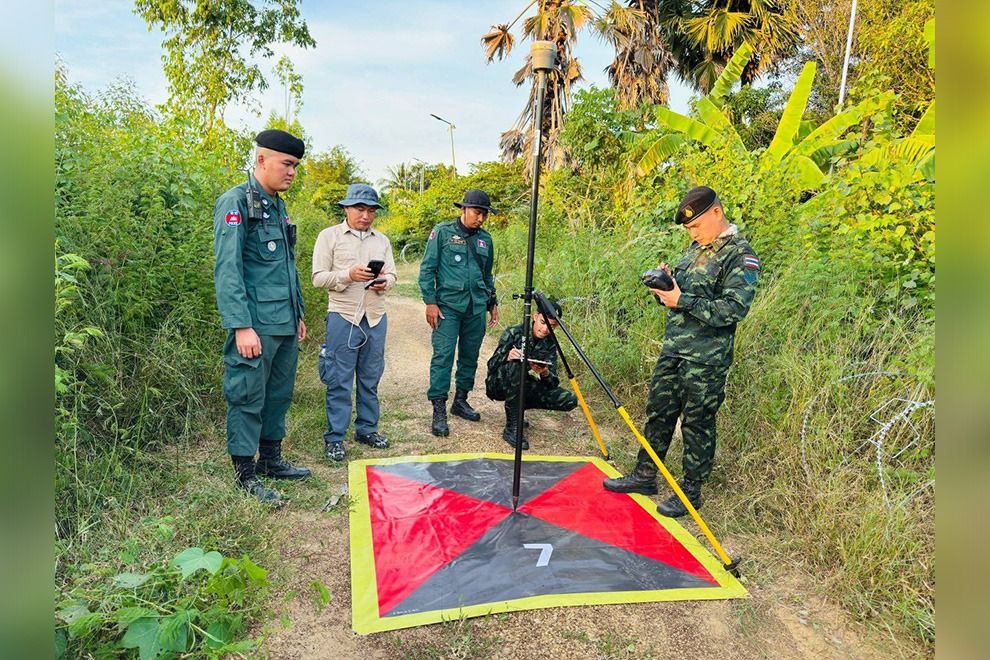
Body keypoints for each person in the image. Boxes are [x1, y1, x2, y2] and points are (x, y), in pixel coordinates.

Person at [604, 186, 761, 518]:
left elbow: (733, 309)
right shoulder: (693, 251)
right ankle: (645, 475)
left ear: (716, 213)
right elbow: (678, 299)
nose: (692, 232)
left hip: (706, 359)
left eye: (696, 225)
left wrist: (682, 300)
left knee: (697, 423)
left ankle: (690, 491)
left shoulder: (741, 256)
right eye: (689, 228)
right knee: (658, 413)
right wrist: (665, 286)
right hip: (674, 349)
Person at [213, 129, 311, 506]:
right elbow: (228, 270)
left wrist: (298, 313)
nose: (292, 173)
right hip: (254, 325)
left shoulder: (277, 206)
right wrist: (241, 326)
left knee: (278, 396)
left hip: (283, 322)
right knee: (247, 396)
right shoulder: (235, 202)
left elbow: (286, 266)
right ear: (261, 161)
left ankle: (271, 460)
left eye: (296, 167)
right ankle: (245, 472)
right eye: (287, 164)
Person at [312, 183, 397, 462]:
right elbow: (318, 278)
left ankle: (367, 429)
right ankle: (335, 437)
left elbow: (393, 276)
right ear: (346, 209)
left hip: (374, 317)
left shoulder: (382, 241)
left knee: (371, 377)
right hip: (343, 315)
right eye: (360, 209)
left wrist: (384, 283)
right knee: (339, 379)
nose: (366, 215)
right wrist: (348, 274)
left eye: (371, 210)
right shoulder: (330, 237)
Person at [418, 189, 500, 436]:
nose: (481, 218)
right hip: (448, 308)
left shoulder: (485, 240)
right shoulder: (442, 232)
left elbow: (486, 276)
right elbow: (427, 270)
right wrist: (430, 302)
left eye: (485, 214)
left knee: (469, 356)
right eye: (477, 212)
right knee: (443, 356)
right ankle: (439, 408)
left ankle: (460, 400)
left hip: (475, 307)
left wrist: (492, 302)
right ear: (463, 209)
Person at [485, 301, 578, 449]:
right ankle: (512, 428)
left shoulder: (550, 343)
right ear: (535, 317)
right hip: (498, 384)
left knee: (569, 400)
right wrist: (507, 356)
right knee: (517, 364)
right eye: (543, 322)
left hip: (522, 384)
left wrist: (544, 372)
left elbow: (552, 384)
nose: (546, 329)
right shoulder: (515, 332)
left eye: (552, 326)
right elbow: (491, 365)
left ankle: (518, 407)